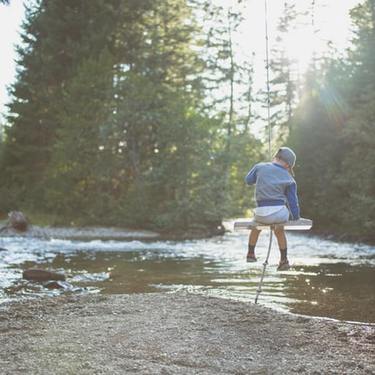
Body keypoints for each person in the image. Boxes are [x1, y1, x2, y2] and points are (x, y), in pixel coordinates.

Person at [244, 147, 300, 271]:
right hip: (279, 213)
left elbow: (248, 180)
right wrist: (295, 217)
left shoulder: (260, 167)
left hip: (261, 214)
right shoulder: (289, 178)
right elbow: (292, 202)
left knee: (256, 227)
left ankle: (251, 253)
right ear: (287, 164)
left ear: (276, 157)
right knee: (279, 230)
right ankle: (284, 260)